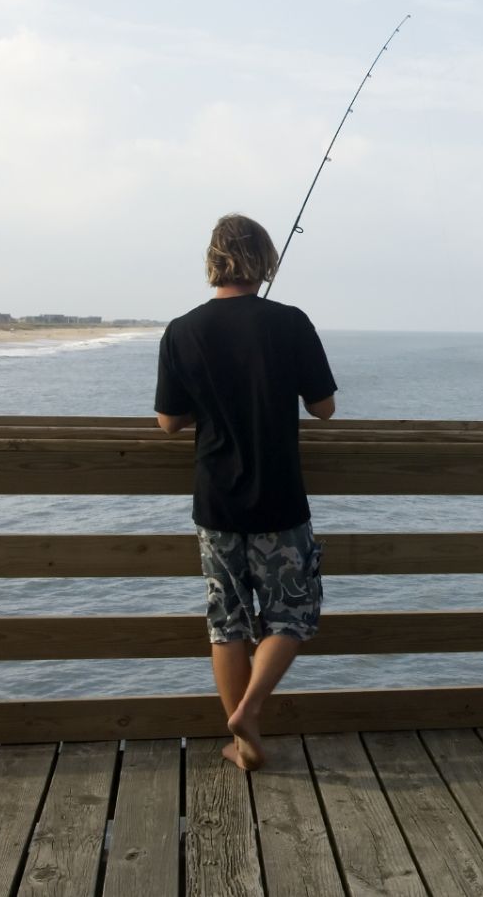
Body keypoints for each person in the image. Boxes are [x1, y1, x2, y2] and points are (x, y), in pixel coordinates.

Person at [154, 213, 337, 771]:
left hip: (216, 502)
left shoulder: (182, 330)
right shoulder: (290, 322)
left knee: (226, 622)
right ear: (264, 261)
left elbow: (168, 422)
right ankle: (251, 710)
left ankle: (244, 741)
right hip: (279, 498)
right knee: (294, 612)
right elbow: (323, 407)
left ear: (214, 259)